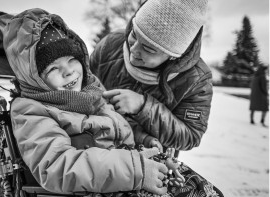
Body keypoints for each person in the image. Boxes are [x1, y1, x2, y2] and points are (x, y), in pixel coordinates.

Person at [0, 8, 171, 195]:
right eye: (52, 68)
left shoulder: (91, 91)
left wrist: (143, 141)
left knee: (193, 186)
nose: (68, 71)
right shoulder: (32, 111)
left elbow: (117, 124)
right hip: (99, 187)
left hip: (131, 169)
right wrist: (134, 169)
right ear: (35, 79)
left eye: (72, 59)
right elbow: (57, 166)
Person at [90, 0, 213, 152]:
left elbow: (190, 136)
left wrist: (143, 106)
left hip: (148, 162)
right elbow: (83, 86)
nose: (133, 50)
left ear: (173, 56)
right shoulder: (110, 44)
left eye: (148, 49)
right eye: (134, 35)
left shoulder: (197, 80)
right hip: (93, 147)